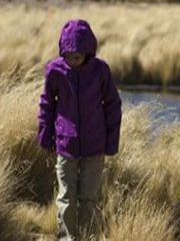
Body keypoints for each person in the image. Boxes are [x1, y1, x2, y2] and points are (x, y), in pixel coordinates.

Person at [37, 19, 122, 241]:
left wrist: (111, 142)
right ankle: (67, 239)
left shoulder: (100, 71)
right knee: (66, 197)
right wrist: (45, 134)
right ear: (62, 52)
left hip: (95, 146)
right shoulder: (55, 71)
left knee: (88, 199)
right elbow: (47, 104)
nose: (72, 61)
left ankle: (88, 238)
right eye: (68, 56)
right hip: (66, 146)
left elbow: (113, 105)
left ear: (88, 52)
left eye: (77, 57)